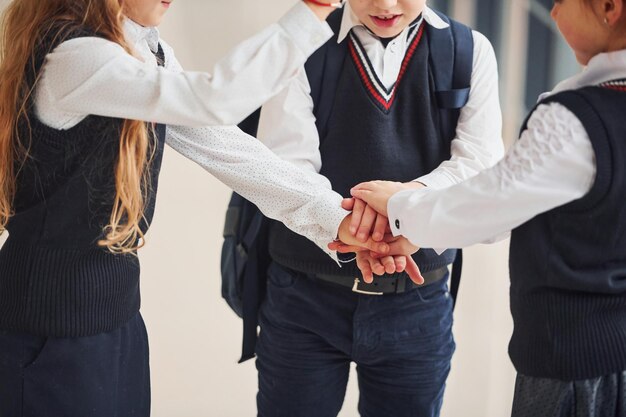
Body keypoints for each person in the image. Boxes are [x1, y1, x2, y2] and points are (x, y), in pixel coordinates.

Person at [0, 0, 389, 415]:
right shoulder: (76, 56)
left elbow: (228, 147)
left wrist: (338, 219)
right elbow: (215, 98)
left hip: (117, 321)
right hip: (46, 333)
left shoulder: (146, 51)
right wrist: (314, 9)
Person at [346, 0, 626, 415]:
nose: (551, 14)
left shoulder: (575, 120)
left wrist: (400, 206)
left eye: (562, 1)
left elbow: (489, 208)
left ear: (608, 7)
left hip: (572, 365)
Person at [252, 0, 503, 415]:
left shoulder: (468, 50)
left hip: (417, 304)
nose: (386, 5)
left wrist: (405, 207)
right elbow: (284, 168)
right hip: (304, 299)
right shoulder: (303, 41)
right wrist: (354, 224)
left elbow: (479, 167)